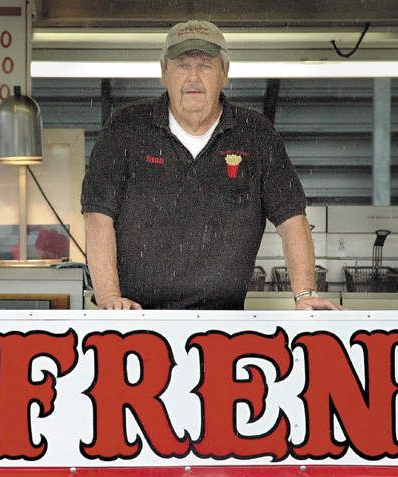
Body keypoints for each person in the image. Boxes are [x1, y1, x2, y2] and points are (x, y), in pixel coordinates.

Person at [81, 20, 344, 311]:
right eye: (182, 65)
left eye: (205, 65)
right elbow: (97, 215)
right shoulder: (126, 127)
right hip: (134, 320)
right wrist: (107, 297)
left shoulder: (255, 133)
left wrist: (304, 294)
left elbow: (291, 219)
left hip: (225, 326)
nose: (193, 77)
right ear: (163, 72)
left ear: (225, 74)